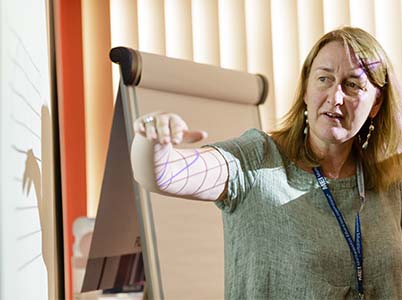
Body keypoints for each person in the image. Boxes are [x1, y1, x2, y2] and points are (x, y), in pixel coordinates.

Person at [131, 27, 402, 299]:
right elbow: (163, 174)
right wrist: (154, 139)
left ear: (376, 103)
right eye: (324, 79)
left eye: (352, 84)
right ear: (306, 91)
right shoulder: (257, 160)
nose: (335, 97)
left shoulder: (389, 178)